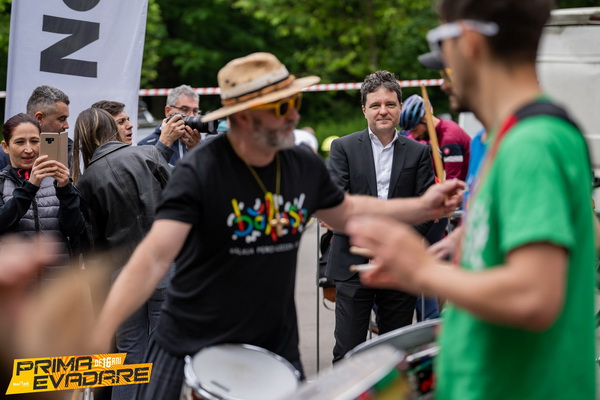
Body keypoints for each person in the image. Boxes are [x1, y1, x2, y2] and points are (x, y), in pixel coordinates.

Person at [91, 52, 464, 400]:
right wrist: (98, 331)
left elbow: (348, 210)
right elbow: (153, 257)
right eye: (283, 107)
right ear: (244, 116)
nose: (295, 116)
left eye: (295, 102)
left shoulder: (301, 164)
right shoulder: (201, 169)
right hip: (194, 341)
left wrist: (422, 206)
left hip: (275, 344)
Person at [349, 1, 596, 399]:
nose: (444, 80)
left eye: (442, 51)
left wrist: (420, 269)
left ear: (469, 43)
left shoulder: (533, 144)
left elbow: (533, 296)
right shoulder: (505, 138)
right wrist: (461, 246)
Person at [326, 70, 435, 362]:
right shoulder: (343, 148)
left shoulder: (419, 153)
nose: (383, 111)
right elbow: (338, 203)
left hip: (400, 264)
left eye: (389, 104)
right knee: (347, 351)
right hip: (352, 263)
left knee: (396, 353)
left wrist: (393, 247)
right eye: (375, 105)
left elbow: (426, 209)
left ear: (400, 107)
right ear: (364, 110)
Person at [72, 108, 171, 400]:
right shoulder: (148, 155)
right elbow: (180, 202)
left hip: (122, 276)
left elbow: (94, 247)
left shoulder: (86, 181)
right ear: (111, 128)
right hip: (163, 264)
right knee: (162, 351)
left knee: (128, 357)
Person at [0, 113, 85, 280]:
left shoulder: (57, 179)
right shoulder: (2, 182)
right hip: (16, 283)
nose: (29, 149)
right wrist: (30, 188)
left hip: (57, 284)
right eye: (19, 142)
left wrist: (65, 189)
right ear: (5, 146)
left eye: (34, 141)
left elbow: (76, 229)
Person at [400, 94, 471, 181]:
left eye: (415, 130)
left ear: (425, 118)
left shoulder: (449, 139)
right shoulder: (440, 131)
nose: (415, 136)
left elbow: (452, 182)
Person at [137, 84, 201, 164]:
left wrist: (197, 151)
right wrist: (164, 144)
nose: (191, 115)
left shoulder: (201, 144)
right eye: (185, 109)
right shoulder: (145, 145)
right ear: (168, 111)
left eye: (195, 111)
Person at [25, 85, 74, 169]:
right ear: (39, 118)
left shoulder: (69, 149)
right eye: (62, 119)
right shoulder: (5, 155)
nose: (67, 126)